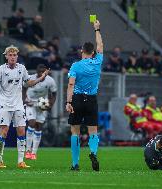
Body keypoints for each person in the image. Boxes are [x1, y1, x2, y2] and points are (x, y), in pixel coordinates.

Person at [0, 45, 50, 168]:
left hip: (19, 106)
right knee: (3, 132)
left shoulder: (21, 68)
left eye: (14, 55)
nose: (12, 57)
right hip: (5, 106)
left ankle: (21, 161)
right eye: (10, 55)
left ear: (17, 56)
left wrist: (41, 78)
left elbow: (29, 83)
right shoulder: (1, 69)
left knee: (21, 131)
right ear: (6, 56)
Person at [65, 20, 103, 171]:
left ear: (82, 51)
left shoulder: (75, 66)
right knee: (93, 130)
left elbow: (71, 85)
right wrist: (97, 29)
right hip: (91, 99)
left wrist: (69, 101)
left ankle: (75, 164)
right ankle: (93, 152)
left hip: (77, 99)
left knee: (75, 131)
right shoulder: (98, 61)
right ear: (93, 52)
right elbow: (100, 45)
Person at [24, 64, 57, 160]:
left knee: (39, 127)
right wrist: (24, 99)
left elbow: (54, 93)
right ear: (37, 71)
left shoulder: (50, 81)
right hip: (30, 103)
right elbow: (23, 88)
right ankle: (28, 151)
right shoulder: (30, 78)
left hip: (42, 104)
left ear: (46, 72)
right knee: (31, 123)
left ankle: (34, 153)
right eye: (39, 72)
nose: (41, 73)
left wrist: (50, 105)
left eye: (43, 72)